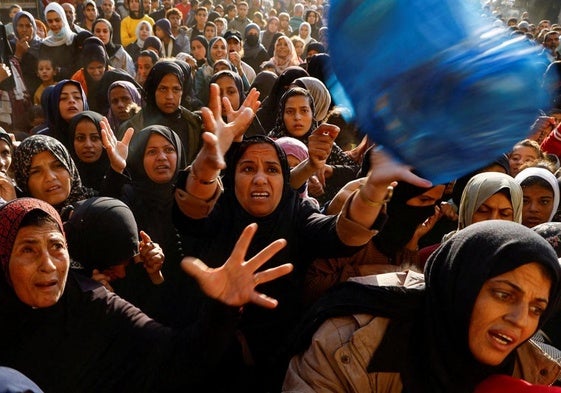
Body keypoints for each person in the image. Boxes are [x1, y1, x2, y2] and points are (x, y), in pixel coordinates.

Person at [172, 84, 433, 390]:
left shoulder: (298, 216)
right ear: (232, 178)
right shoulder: (220, 214)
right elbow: (193, 207)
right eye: (246, 168)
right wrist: (208, 161)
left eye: (272, 169)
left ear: (285, 181)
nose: (260, 177)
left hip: (280, 368)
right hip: (204, 361)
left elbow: (344, 234)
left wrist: (374, 189)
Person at [0, 196, 292, 392]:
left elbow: (177, 355)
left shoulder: (96, 304)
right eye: (28, 249)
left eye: (56, 247)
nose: (48, 265)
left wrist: (223, 307)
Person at [283, 220, 561, 392]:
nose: (520, 319)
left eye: (537, 308)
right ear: (460, 284)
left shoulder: (532, 370)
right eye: (503, 295)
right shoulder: (350, 342)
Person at [268, 86, 359, 206]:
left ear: (313, 114)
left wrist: (330, 170)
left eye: (304, 110)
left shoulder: (322, 143)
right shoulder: (271, 146)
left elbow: (357, 173)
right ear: (281, 114)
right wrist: (303, 183)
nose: (297, 117)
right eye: (290, 111)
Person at [119, 60, 204, 164]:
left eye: (176, 89)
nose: (170, 96)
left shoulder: (194, 124)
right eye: (163, 89)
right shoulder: (132, 127)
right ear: (153, 90)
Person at [12, 134, 97, 212]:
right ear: (23, 181)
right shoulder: (21, 222)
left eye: (58, 166)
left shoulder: (97, 207)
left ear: (70, 168)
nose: (50, 177)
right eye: (36, 172)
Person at [209, 70, 265, 137]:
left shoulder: (252, 127)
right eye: (218, 93)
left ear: (240, 94)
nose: (224, 98)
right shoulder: (200, 127)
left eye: (231, 92)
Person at [67, 111, 111, 192]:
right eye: (80, 138)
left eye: (95, 138)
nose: (88, 145)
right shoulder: (65, 179)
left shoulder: (119, 173)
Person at [39, 3, 79, 81]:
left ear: (63, 19)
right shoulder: (45, 44)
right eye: (50, 21)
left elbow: (78, 67)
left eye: (57, 20)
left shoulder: (74, 40)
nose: (54, 24)